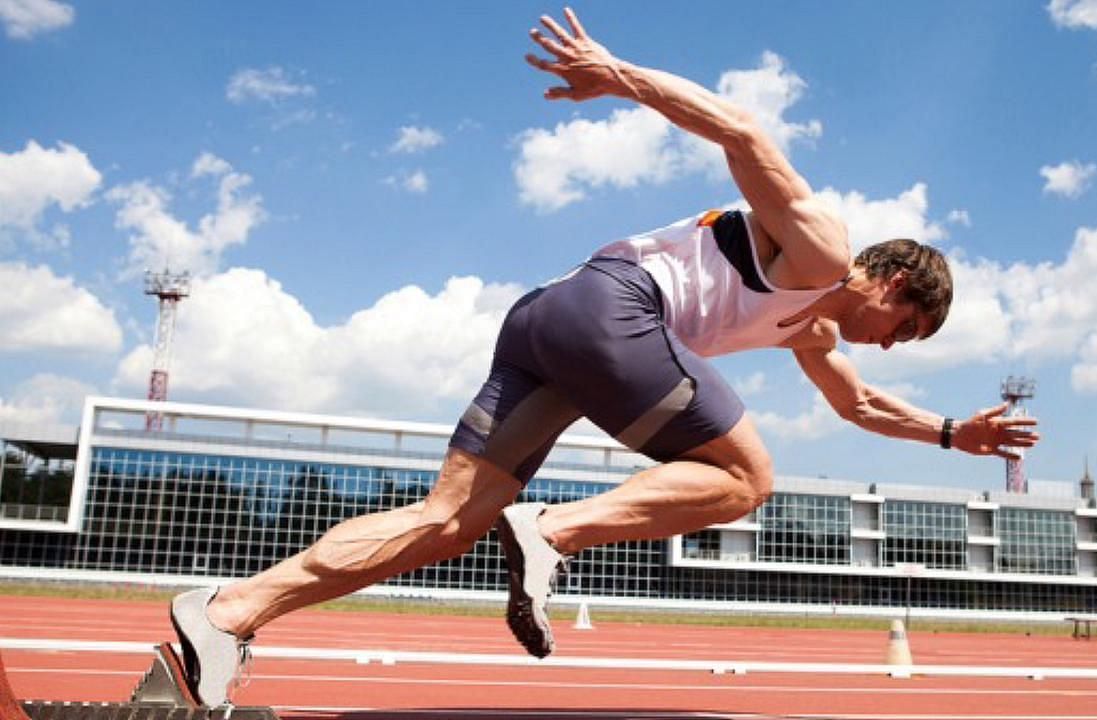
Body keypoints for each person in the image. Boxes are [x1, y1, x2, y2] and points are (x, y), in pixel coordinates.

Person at [169, 7, 1040, 706]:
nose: (892, 345)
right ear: (892, 283)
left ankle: (230, 611)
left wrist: (951, 432)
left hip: (548, 323)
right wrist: (615, 73)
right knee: (746, 478)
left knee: (446, 520)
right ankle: (551, 530)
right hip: (616, 308)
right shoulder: (821, 251)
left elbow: (856, 407)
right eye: (905, 330)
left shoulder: (808, 326)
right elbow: (742, 132)